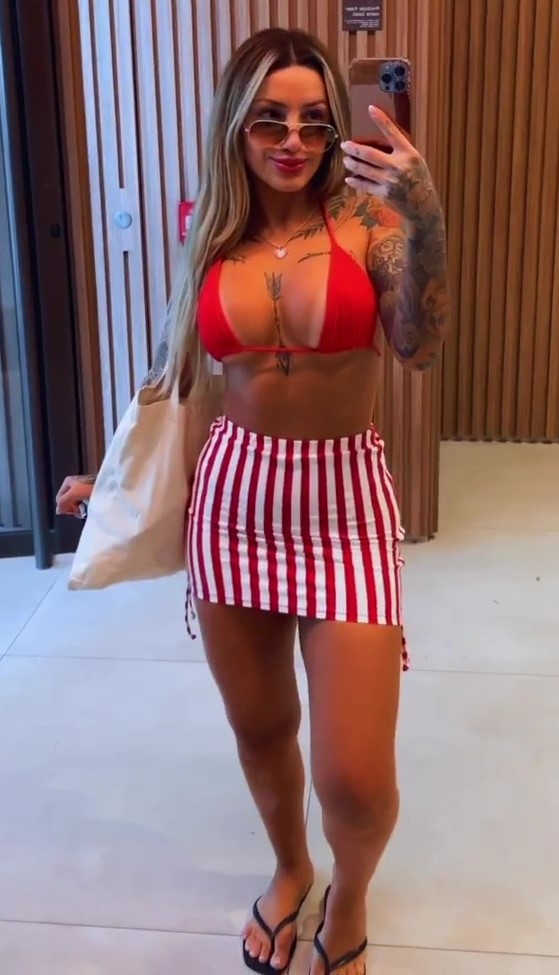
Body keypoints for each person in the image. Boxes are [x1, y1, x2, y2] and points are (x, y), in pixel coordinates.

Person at [57, 27, 449, 975]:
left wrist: (425, 216)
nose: (294, 140)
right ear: (235, 124)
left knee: (355, 778)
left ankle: (349, 895)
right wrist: (115, 478)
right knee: (262, 727)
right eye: (270, 118)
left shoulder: (369, 225)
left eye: (315, 120)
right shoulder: (210, 233)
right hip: (233, 502)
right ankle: (290, 867)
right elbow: (180, 373)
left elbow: (418, 347)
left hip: (344, 506)